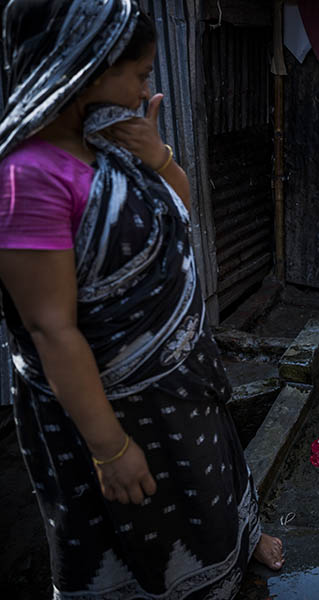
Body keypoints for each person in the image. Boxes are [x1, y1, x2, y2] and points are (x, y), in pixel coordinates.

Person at [0, 1, 282, 597]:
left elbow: (179, 209)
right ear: (84, 70)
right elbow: (52, 329)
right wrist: (108, 448)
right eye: (138, 74)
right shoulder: (31, 179)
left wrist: (155, 155)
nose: (143, 89)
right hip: (118, 410)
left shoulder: (107, 144)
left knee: (210, 484)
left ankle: (237, 539)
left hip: (180, 379)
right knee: (149, 515)